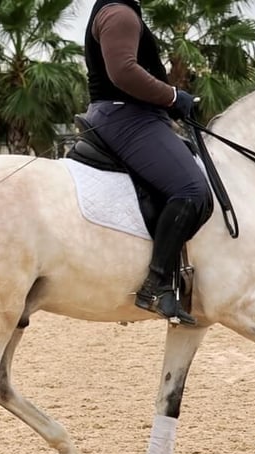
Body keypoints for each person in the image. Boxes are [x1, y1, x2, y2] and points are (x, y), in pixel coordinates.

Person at [83, 0, 212, 326]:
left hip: (130, 114)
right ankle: (155, 286)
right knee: (191, 189)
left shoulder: (120, 10)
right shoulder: (120, 14)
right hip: (126, 116)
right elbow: (123, 71)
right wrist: (172, 96)